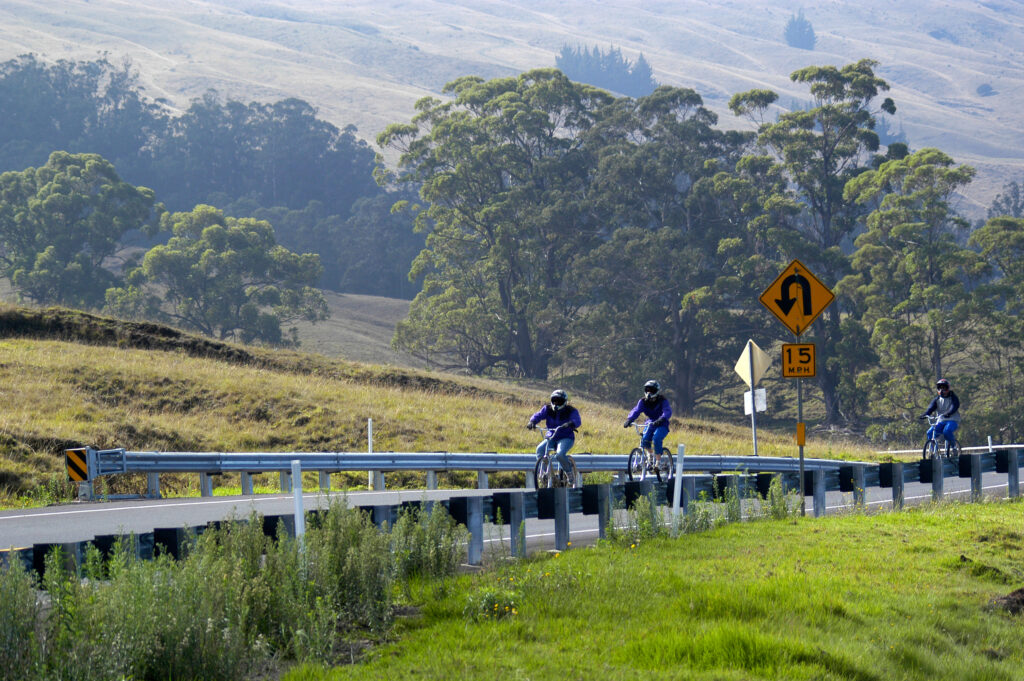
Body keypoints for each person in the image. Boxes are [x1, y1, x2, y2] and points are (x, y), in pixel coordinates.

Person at [527, 389, 581, 475]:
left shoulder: (570, 410)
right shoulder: (547, 409)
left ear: (564, 402)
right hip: (551, 436)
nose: (556, 403)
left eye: (559, 401)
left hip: (566, 437)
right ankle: (545, 473)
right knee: (540, 449)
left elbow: (577, 420)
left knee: (559, 455)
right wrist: (532, 421)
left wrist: (571, 423)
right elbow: (539, 415)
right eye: (554, 400)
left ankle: (569, 472)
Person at [623, 380, 672, 462]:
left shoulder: (662, 401)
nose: (649, 393)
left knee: (656, 438)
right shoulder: (643, 402)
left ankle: (658, 462)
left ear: (656, 391)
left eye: (652, 391)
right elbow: (636, 410)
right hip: (650, 423)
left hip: (662, 423)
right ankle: (651, 455)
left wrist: (661, 419)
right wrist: (629, 419)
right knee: (644, 440)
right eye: (647, 390)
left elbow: (667, 411)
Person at [920, 378, 960, 449]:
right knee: (930, 432)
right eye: (940, 388)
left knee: (947, 431)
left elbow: (954, 406)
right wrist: (925, 414)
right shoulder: (937, 399)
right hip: (941, 421)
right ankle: (932, 451)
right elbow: (930, 408)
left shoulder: (953, 397)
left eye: (944, 388)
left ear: (948, 389)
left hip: (952, 420)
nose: (942, 390)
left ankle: (954, 447)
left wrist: (949, 412)